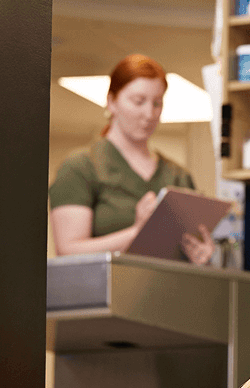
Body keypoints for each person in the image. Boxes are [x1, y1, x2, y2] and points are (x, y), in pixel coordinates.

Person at [49, 53, 215, 265]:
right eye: (138, 101)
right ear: (112, 102)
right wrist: (137, 232)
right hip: (106, 295)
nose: (149, 113)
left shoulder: (178, 176)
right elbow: (68, 252)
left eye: (157, 103)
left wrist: (201, 254)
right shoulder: (81, 167)